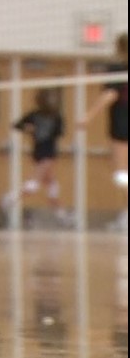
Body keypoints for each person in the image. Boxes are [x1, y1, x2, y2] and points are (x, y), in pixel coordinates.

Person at [80, 32, 128, 231]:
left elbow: (110, 95)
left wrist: (88, 116)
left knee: (122, 173)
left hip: (122, 126)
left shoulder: (117, 69)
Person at [9, 89, 68, 223]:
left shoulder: (56, 117)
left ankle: (60, 212)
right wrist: (29, 129)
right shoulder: (35, 115)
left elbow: (60, 132)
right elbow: (17, 125)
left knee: (51, 183)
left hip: (49, 151)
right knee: (36, 181)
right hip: (41, 151)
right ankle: (11, 199)